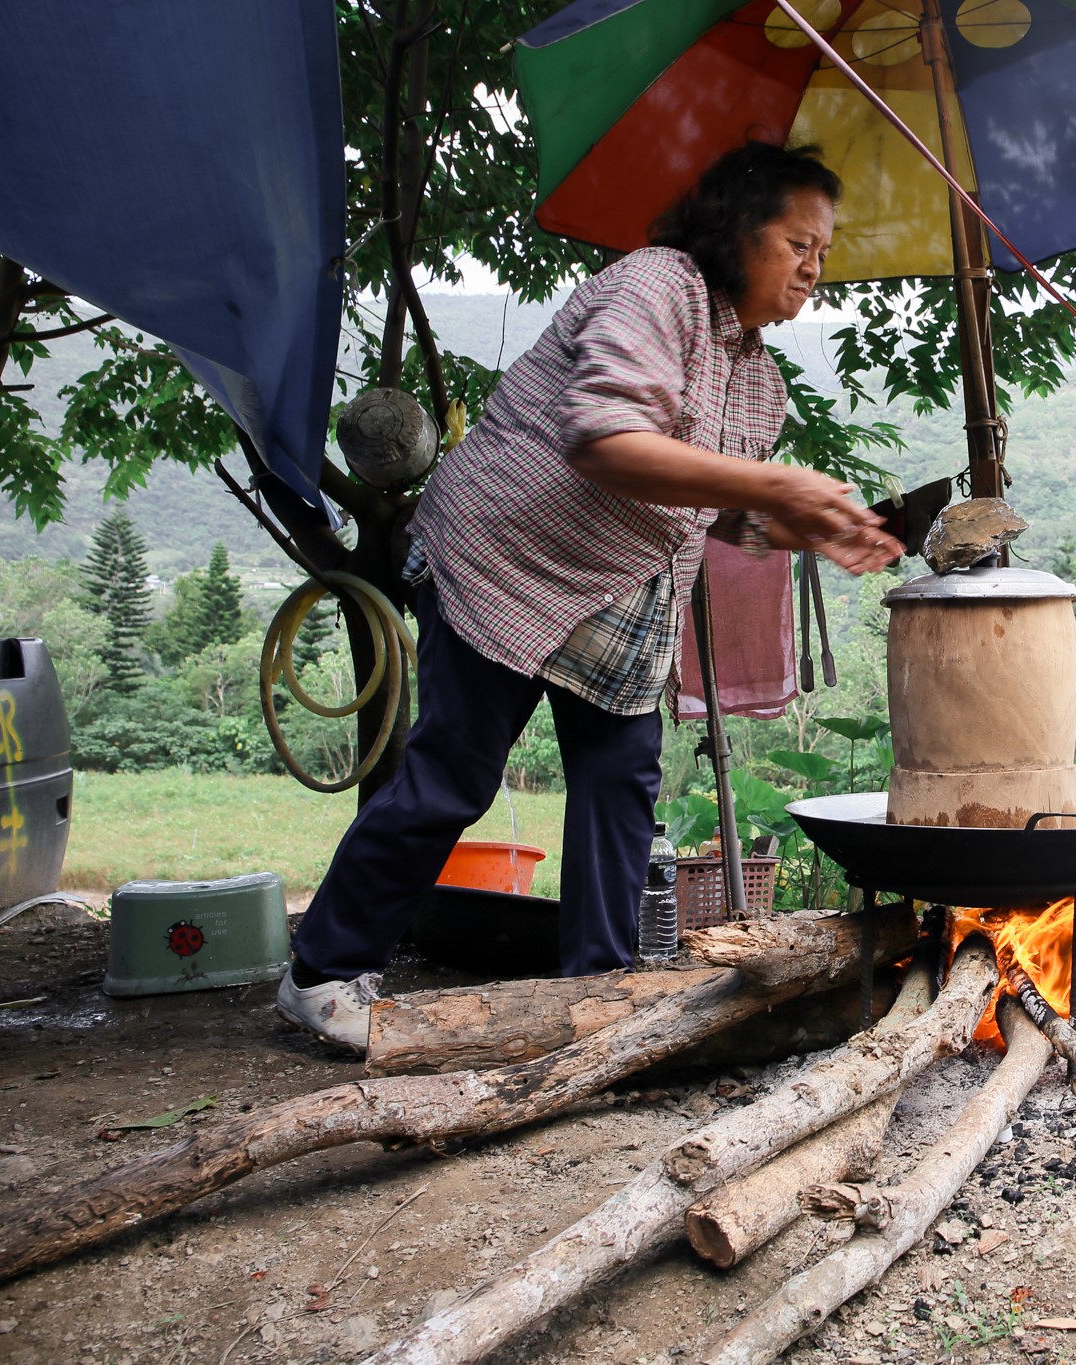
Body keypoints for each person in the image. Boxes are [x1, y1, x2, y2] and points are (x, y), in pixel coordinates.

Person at [276, 142, 902, 1050]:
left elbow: (706, 510)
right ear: (736, 231)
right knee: (454, 776)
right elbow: (603, 439)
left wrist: (810, 526)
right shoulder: (658, 287)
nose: (816, 267)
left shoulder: (758, 381)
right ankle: (322, 971)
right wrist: (775, 488)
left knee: (620, 784)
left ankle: (598, 999)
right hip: (512, 557)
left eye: (824, 251)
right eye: (800, 242)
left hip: (620, 600)